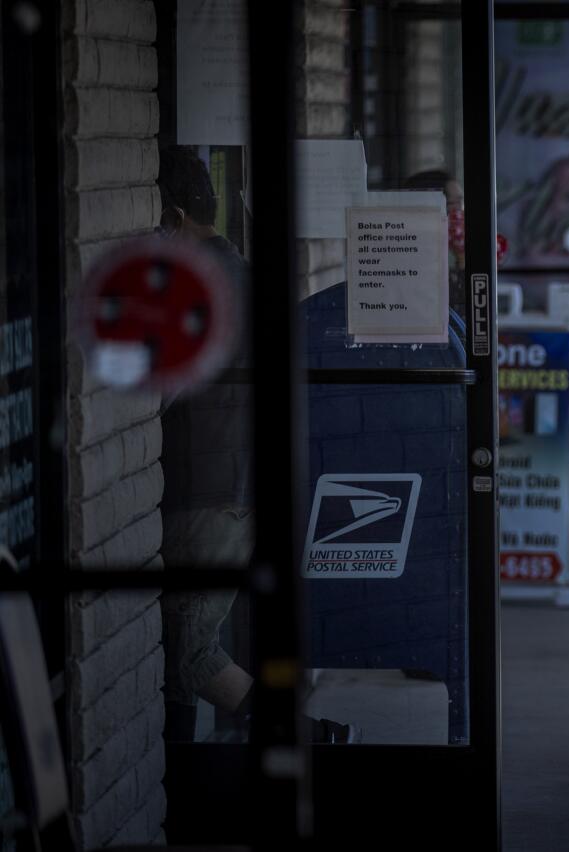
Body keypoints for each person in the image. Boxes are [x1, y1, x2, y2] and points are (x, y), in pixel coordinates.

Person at [156, 146, 356, 743]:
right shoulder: (243, 274)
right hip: (241, 484)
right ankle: (178, 776)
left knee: (189, 647)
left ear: (169, 216)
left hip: (209, 488)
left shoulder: (196, 285)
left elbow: (161, 389)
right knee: (179, 644)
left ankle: (310, 738)